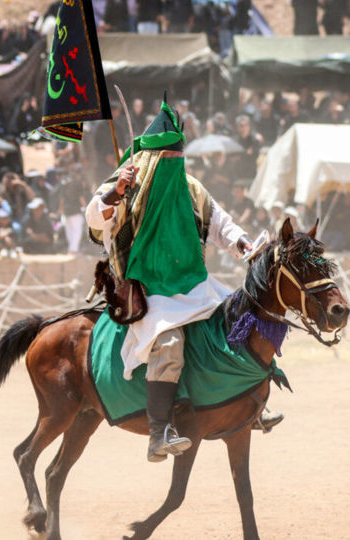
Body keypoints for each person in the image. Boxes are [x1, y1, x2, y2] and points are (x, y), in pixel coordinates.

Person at [86, 97, 279, 463]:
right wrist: (115, 192)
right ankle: (159, 432)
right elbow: (95, 219)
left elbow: (222, 225)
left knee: (242, 323)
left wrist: (246, 247)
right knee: (170, 343)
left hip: (194, 285)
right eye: (168, 159)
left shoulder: (191, 188)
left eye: (179, 159)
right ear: (154, 157)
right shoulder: (130, 182)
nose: (174, 165)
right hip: (150, 291)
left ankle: (247, 406)